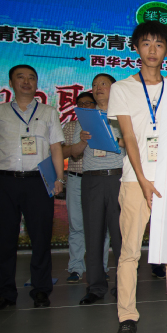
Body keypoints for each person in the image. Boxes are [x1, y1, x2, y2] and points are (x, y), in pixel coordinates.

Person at [107, 21, 167, 333]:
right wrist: (145, 180)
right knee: (129, 253)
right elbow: (129, 138)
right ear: (135, 47)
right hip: (136, 181)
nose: (152, 50)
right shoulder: (122, 88)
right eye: (146, 43)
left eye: (159, 45)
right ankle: (127, 319)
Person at [0, 65, 65, 312]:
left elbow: (56, 148)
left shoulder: (49, 112)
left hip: (38, 182)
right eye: (21, 77)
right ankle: (4, 293)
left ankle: (41, 289)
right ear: (11, 82)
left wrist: (59, 178)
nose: (26, 82)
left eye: (31, 78)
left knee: (41, 238)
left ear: (37, 84)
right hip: (4, 181)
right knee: (5, 240)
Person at [70, 74, 124, 305]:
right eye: (94, 85)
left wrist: (118, 140)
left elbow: (136, 145)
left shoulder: (123, 115)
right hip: (91, 180)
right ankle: (95, 286)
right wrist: (83, 140)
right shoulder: (85, 117)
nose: (98, 88)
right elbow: (74, 152)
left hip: (118, 178)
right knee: (93, 234)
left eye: (103, 84)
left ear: (115, 88)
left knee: (121, 236)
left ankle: (124, 285)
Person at [62, 92, 112, 283]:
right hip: (76, 179)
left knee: (102, 227)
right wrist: (80, 142)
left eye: (88, 103)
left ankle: (102, 267)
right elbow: (63, 152)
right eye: (80, 104)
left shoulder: (105, 124)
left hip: (98, 180)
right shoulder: (71, 126)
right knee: (76, 225)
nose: (84, 107)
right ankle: (76, 267)